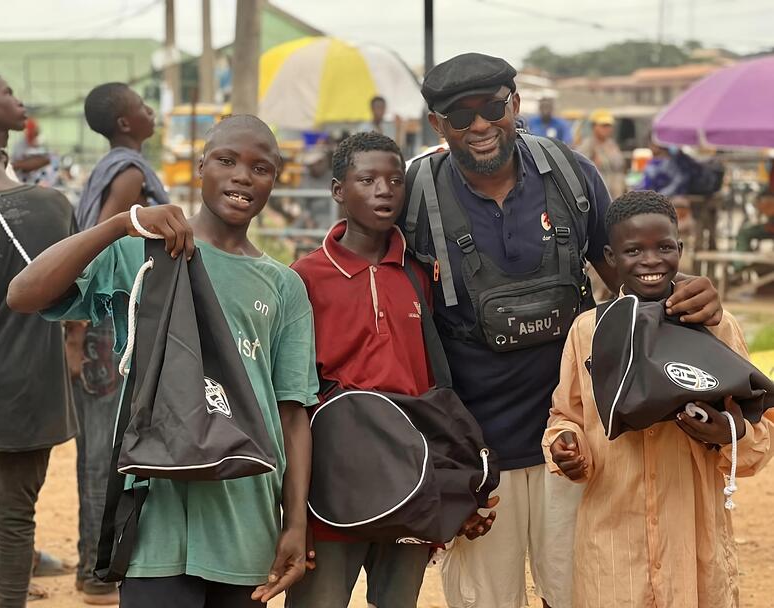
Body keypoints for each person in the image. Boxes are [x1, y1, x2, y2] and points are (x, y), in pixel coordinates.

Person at [403, 52, 722, 608]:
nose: (480, 125)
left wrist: (688, 291)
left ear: (516, 104)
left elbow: (631, 277)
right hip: (478, 452)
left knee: (579, 593)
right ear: (438, 125)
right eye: (461, 115)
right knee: (486, 600)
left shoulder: (572, 176)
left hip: (577, 443)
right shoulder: (417, 195)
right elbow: (368, 277)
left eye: (493, 107)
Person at [7, 114, 318, 608]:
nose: (242, 175)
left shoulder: (283, 286)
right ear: (200, 166)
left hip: (245, 514)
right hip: (153, 512)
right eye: (226, 160)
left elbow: (292, 411)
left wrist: (295, 523)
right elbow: (24, 294)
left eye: (261, 168)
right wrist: (119, 224)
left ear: (275, 181)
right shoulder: (144, 253)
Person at [288, 131, 496, 608]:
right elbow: (292, 395)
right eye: (367, 180)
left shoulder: (419, 273)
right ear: (339, 189)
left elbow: (435, 386)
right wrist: (292, 505)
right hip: (335, 477)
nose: (384, 190)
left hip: (408, 472)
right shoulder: (303, 278)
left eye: (394, 181)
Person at [544, 190, 774, 607]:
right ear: (611, 258)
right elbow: (567, 415)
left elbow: (760, 437)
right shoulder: (587, 332)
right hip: (613, 557)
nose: (651, 260)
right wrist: (566, 445)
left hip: (694, 554)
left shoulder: (718, 329)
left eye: (664, 247)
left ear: (680, 249)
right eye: (634, 250)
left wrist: (730, 433)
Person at [0, 117, 77, 608]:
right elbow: (79, 291)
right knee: (16, 516)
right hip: (36, 388)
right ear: (1, 154)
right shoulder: (55, 204)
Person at [64, 81, 169, 605]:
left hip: (105, 325)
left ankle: (96, 563)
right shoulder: (128, 175)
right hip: (111, 326)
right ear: (127, 123)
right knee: (107, 451)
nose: (152, 112)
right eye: (144, 107)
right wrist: (79, 333)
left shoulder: (116, 168)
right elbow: (104, 244)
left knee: (102, 448)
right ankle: (96, 569)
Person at [577, 109, 626, 198]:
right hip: (599, 195)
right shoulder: (587, 145)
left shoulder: (612, 144)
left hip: (616, 195)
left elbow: (620, 166)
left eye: (609, 126)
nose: (607, 129)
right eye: (604, 125)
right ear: (594, 126)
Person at [11, 117, 53, 186]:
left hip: (39, 181)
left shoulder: (41, 142)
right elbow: (15, 165)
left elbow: (47, 160)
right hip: (22, 181)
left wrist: (30, 163)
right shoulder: (20, 144)